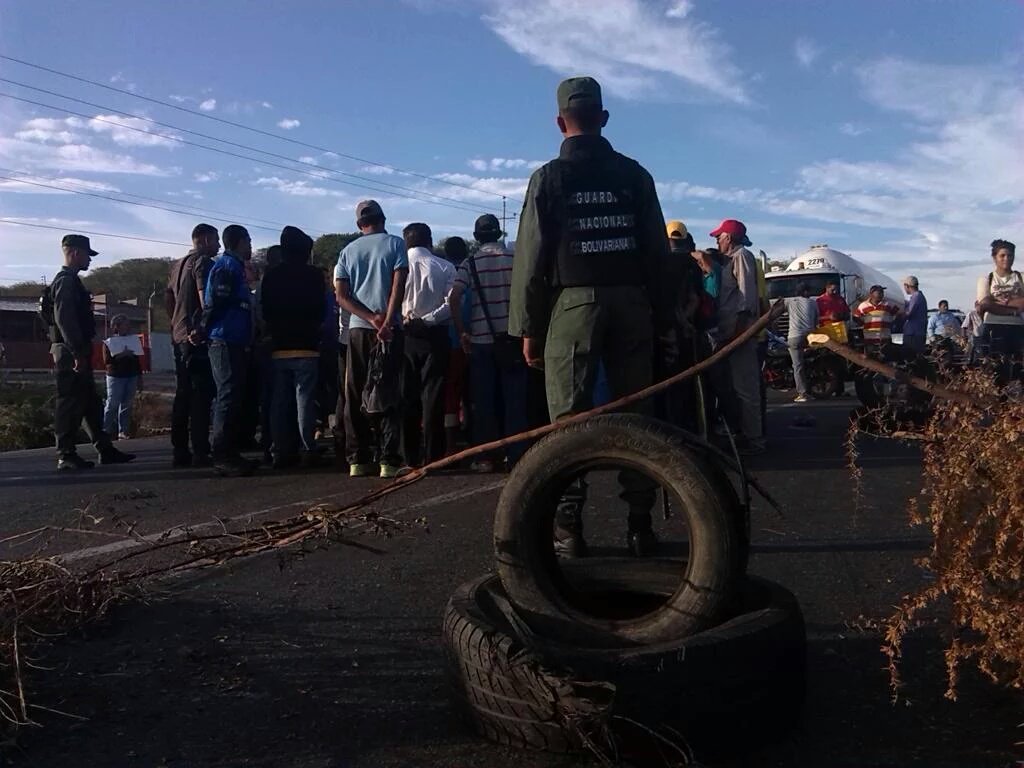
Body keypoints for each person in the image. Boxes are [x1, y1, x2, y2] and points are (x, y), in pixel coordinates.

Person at [509, 76, 673, 557]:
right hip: (632, 304)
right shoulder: (635, 175)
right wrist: (663, 319)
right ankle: (640, 527)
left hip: (573, 305)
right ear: (603, 118)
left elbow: (532, 260)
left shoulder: (548, 178)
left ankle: (569, 530)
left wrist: (528, 329)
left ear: (560, 122)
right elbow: (657, 254)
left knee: (569, 420)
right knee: (636, 416)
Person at [334, 200, 409, 479]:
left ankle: (358, 458)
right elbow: (397, 286)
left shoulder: (347, 251)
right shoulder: (395, 245)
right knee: (388, 389)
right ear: (383, 219)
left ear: (359, 225)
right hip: (388, 329)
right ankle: (388, 460)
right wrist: (386, 321)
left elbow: (341, 296)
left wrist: (368, 317)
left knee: (355, 392)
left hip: (357, 330)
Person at [47, 235, 134, 470]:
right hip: (69, 352)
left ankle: (104, 449)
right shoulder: (65, 281)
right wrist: (76, 352)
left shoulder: (71, 281)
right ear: (74, 253)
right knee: (69, 403)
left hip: (75, 349)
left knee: (89, 403)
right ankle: (65, 454)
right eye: (87, 254)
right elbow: (64, 319)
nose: (89, 260)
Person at [450, 214, 527, 472]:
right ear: (499, 235)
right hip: (513, 338)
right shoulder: (516, 261)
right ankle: (517, 454)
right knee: (515, 399)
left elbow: (454, 296)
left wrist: (462, 331)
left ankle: (486, 456)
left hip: (481, 340)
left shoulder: (470, 263)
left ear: (476, 237)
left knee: (484, 401)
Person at [261, 226, 326, 469]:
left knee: (279, 400)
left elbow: (265, 310)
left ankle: (280, 450)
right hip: (307, 344)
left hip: (279, 344)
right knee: (305, 400)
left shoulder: (271, 276)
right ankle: (307, 447)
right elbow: (320, 308)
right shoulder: (314, 276)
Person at [400, 222, 454, 467]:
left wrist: (406, 320)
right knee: (433, 396)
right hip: (434, 336)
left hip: (404, 335)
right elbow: (450, 304)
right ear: (430, 240)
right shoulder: (445, 266)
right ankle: (434, 454)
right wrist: (427, 320)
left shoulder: (398, 267)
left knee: (406, 396)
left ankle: (408, 455)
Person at [204, 224, 256, 477]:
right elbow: (218, 300)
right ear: (238, 241)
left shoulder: (236, 267)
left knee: (234, 396)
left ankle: (231, 451)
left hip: (234, 340)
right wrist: (201, 327)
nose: (251, 246)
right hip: (224, 340)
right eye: (248, 241)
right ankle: (222, 454)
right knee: (227, 395)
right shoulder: (227, 266)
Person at [166, 223, 218, 468]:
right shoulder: (203, 263)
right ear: (205, 239)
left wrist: (176, 324)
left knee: (182, 394)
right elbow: (204, 295)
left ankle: (179, 448)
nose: (218, 246)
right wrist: (202, 326)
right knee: (201, 395)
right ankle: (200, 448)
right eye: (216, 240)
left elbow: (169, 299)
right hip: (195, 337)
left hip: (178, 334)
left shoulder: (176, 266)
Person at [710, 218, 764, 453]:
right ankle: (742, 433)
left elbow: (746, 299)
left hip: (738, 334)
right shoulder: (730, 260)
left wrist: (739, 334)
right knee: (731, 387)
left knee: (745, 389)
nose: (717, 240)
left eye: (719, 237)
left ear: (729, 238)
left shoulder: (742, 257)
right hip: (728, 334)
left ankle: (755, 440)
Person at [441, 236, 472, 455]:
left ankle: (451, 442)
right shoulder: (470, 271)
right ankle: (473, 435)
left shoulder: (444, 272)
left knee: (450, 392)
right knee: (472, 391)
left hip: (449, 340)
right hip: (475, 339)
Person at [976, 238, 1024, 359]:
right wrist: (1014, 308)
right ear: (994, 258)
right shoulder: (987, 279)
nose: (1006, 259)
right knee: (995, 367)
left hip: (1017, 327)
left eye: (1010, 255)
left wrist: (995, 303)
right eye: (1002, 255)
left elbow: (990, 304)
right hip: (993, 326)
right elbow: (985, 304)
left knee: (1017, 368)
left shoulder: (1021, 277)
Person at [102, 314, 142, 439]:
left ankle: (123, 431)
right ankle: (105, 430)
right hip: (116, 377)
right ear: (116, 327)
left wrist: (140, 378)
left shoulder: (133, 340)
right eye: (124, 324)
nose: (127, 327)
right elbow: (107, 361)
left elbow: (137, 361)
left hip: (131, 375)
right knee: (112, 403)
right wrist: (121, 355)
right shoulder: (109, 343)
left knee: (127, 404)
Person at [784, 283, 819, 403]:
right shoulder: (813, 303)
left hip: (794, 336)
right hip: (810, 336)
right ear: (805, 292)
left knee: (797, 366)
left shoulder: (788, 301)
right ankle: (812, 386)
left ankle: (802, 393)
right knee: (810, 361)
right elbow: (815, 321)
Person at [901, 275, 928, 354]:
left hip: (913, 333)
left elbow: (908, 313)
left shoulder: (916, 297)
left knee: (910, 355)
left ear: (907, 286)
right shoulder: (918, 297)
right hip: (918, 332)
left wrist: (899, 314)